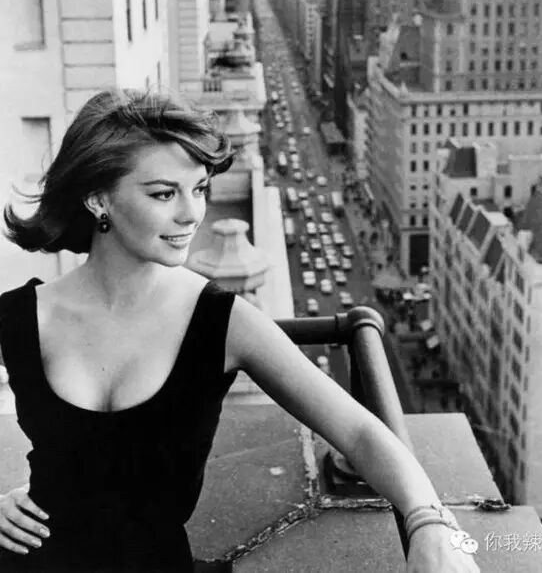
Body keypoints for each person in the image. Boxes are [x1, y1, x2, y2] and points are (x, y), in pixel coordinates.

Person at [0, 89, 480, 573]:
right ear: (98, 198)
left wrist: (427, 521)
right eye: (164, 193)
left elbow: (358, 432)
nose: (191, 213)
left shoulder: (222, 321)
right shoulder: (19, 316)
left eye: (199, 188)